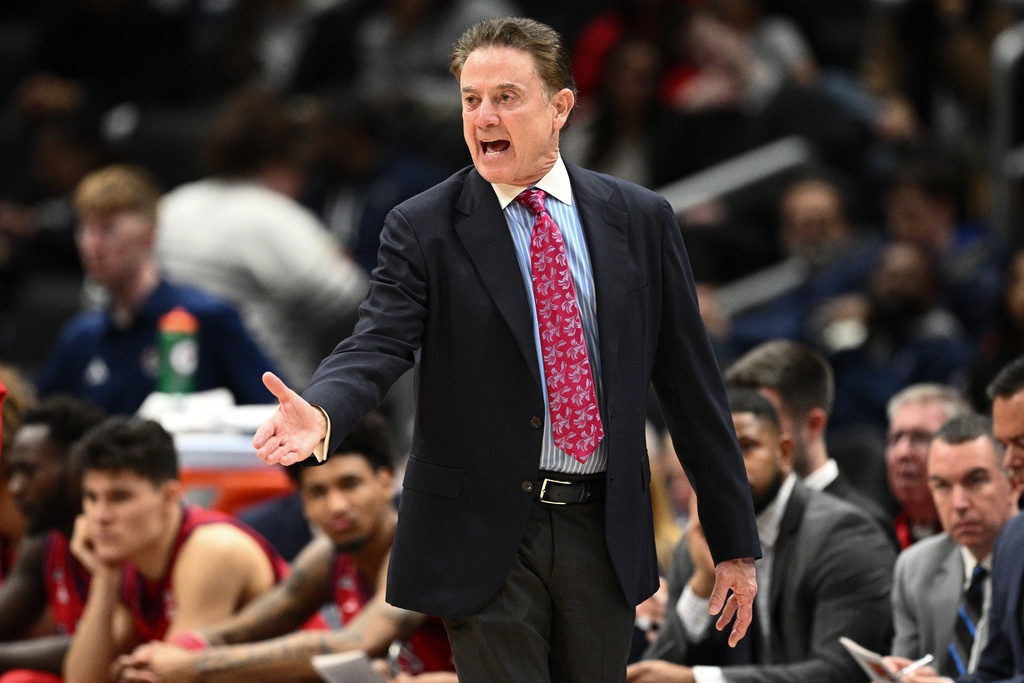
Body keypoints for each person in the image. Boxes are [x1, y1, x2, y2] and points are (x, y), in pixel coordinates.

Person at [252, 16, 761, 682]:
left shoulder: (640, 218)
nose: (484, 115)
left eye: (505, 97)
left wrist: (734, 544)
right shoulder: (423, 226)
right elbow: (378, 340)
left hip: (602, 524)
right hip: (484, 526)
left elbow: (693, 388)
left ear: (560, 108)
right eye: (471, 99)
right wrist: (322, 410)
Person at [111, 413, 455, 682]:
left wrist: (197, 665)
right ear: (302, 503)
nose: (336, 505)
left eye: (349, 484)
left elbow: (355, 643)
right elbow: (242, 629)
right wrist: (177, 651)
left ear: (385, 482)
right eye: (318, 492)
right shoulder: (327, 557)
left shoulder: (419, 547)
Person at [629, 388, 896, 682]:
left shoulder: (844, 536)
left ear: (784, 452)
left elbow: (841, 673)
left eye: (746, 446)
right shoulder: (694, 544)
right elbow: (654, 674)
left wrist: (700, 679)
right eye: (714, 450)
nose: (728, 466)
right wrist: (703, 583)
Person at [156, 86, 370, 388]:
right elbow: (350, 296)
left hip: (176, 384)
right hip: (266, 397)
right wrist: (337, 260)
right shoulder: (275, 217)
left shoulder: (171, 206)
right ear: (281, 161)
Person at [34, 164, 279, 415]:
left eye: (108, 229)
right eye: (85, 228)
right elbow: (39, 417)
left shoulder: (208, 317)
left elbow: (275, 407)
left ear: (149, 234)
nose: (91, 244)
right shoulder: (81, 337)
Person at [62, 416, 289, 683]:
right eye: (91, 497)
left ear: (170, 497)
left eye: (119, 497)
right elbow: (82, 680)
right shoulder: (132, 555)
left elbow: (169, 677)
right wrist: (105, 575)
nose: (99, 516)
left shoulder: (213, 549)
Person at [884, 356, 1024, 683]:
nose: (1011, 461)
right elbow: (996, 670)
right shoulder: (1015, 539)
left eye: (1022, 443)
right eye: (942, 485)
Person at [723, 338, 897, 545]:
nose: (744, 437)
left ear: (814, 424)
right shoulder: (736, 517)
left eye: (764, 419)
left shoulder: (859, 525)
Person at [0, 396, 107, 680]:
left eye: (29, 471)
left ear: (77, 467)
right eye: (12, 472)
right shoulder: (44, 543)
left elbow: (113, 647)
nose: (16, 487)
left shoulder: (126, 535)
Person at [885, 384, 974, 549]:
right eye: (896, 438)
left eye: (921, 438)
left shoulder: (983, 537)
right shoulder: (879, 538)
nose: (902, 452)